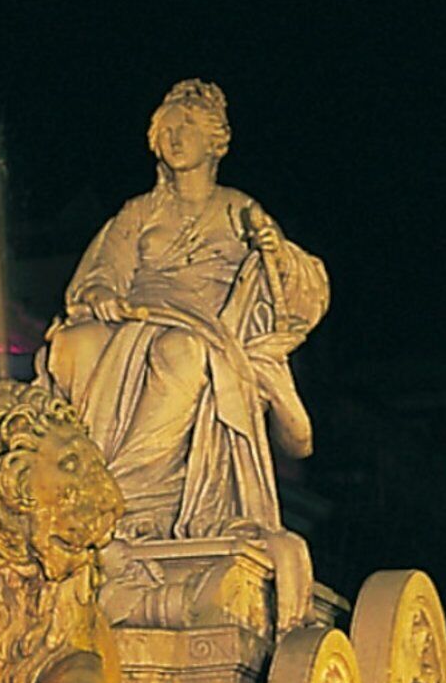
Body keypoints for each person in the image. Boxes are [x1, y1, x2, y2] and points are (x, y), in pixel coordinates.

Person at [42, 81, 329, 544]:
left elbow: (292, 283)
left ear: (216, 141)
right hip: (138, 316)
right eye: (168, 128)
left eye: (188, 128)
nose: (175, 137)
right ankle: (83, 473)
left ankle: (128, 492)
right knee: (76, 343)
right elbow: (103, 271)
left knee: (182, 352)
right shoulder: (137, 212)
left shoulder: (240, 209)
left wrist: (276, 252)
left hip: (207, 325)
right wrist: (100, 293)